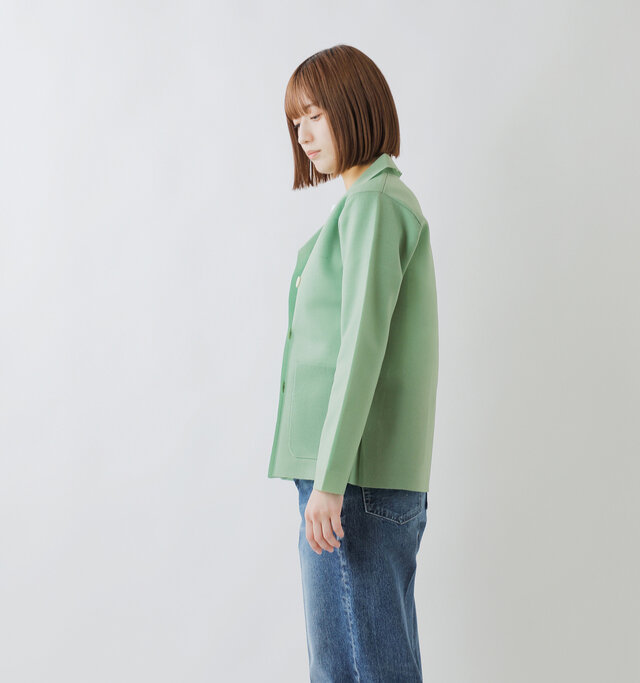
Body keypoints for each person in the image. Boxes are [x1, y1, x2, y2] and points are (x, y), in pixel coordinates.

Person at [267, 44, 439, 682]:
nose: (303, 134)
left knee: (358, 670)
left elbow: (361, 347)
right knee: (353, 666)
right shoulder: (366, 203)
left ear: (355, 108)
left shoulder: (374, 205)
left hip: (352, 481)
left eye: (316, 115)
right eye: (296, 121)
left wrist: (331, 479)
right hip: (350, 480)